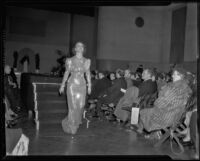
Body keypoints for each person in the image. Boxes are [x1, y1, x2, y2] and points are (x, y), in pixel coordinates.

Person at [137, 67, 192, 136]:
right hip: (176, 116)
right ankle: (151, 133)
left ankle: (148, 132)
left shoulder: (174, 88)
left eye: (175, 74)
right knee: (147, 110)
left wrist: (156, 102)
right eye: (173, 74)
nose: (172, 76)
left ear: (181, 76)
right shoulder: (185, 87)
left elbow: (161, 103)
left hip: (166, 116)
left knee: (144, 112)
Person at [59, 42, 91, 134]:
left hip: (82, 85)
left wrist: (90, 85)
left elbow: (88, 73)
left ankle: (68, 121)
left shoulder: (87, 61)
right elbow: (66, 72)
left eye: (82, 46)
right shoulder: (70, 60)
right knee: (72, 106)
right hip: (72, 84)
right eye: (78, 46)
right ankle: (73, 126)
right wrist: (62, 85)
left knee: (81, 105)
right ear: (75, 49)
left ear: (83, 49)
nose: (80, 47)